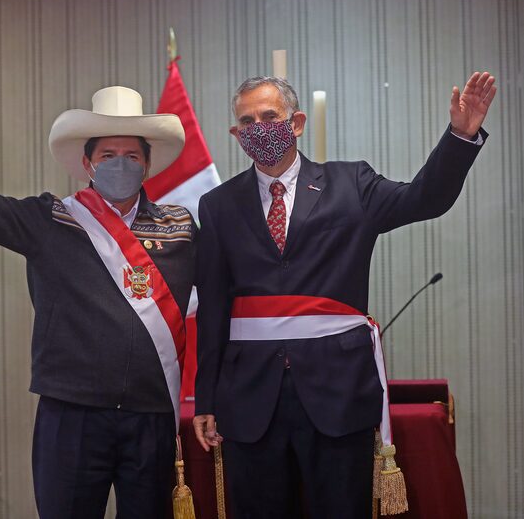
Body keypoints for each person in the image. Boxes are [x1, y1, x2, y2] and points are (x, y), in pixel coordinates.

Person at [193, 72, 496, 518]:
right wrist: (207, 399)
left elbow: (425, 198)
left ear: (295, 123)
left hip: (336, 393)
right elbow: (214, 307)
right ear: (237, 134)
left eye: (269, 116)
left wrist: (461, 136)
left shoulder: (350, 183)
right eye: (247, 121)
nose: (258, 127)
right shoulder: (218, 205)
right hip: (250, 398)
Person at [0, 70, 196, 519]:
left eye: (132, 154)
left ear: (147, 164)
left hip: (151, 417)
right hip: (71, 414)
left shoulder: (180, 227)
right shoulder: (50, 219)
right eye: (108, 154)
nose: (121, 163)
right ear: (88, 162)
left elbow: (222, 292)